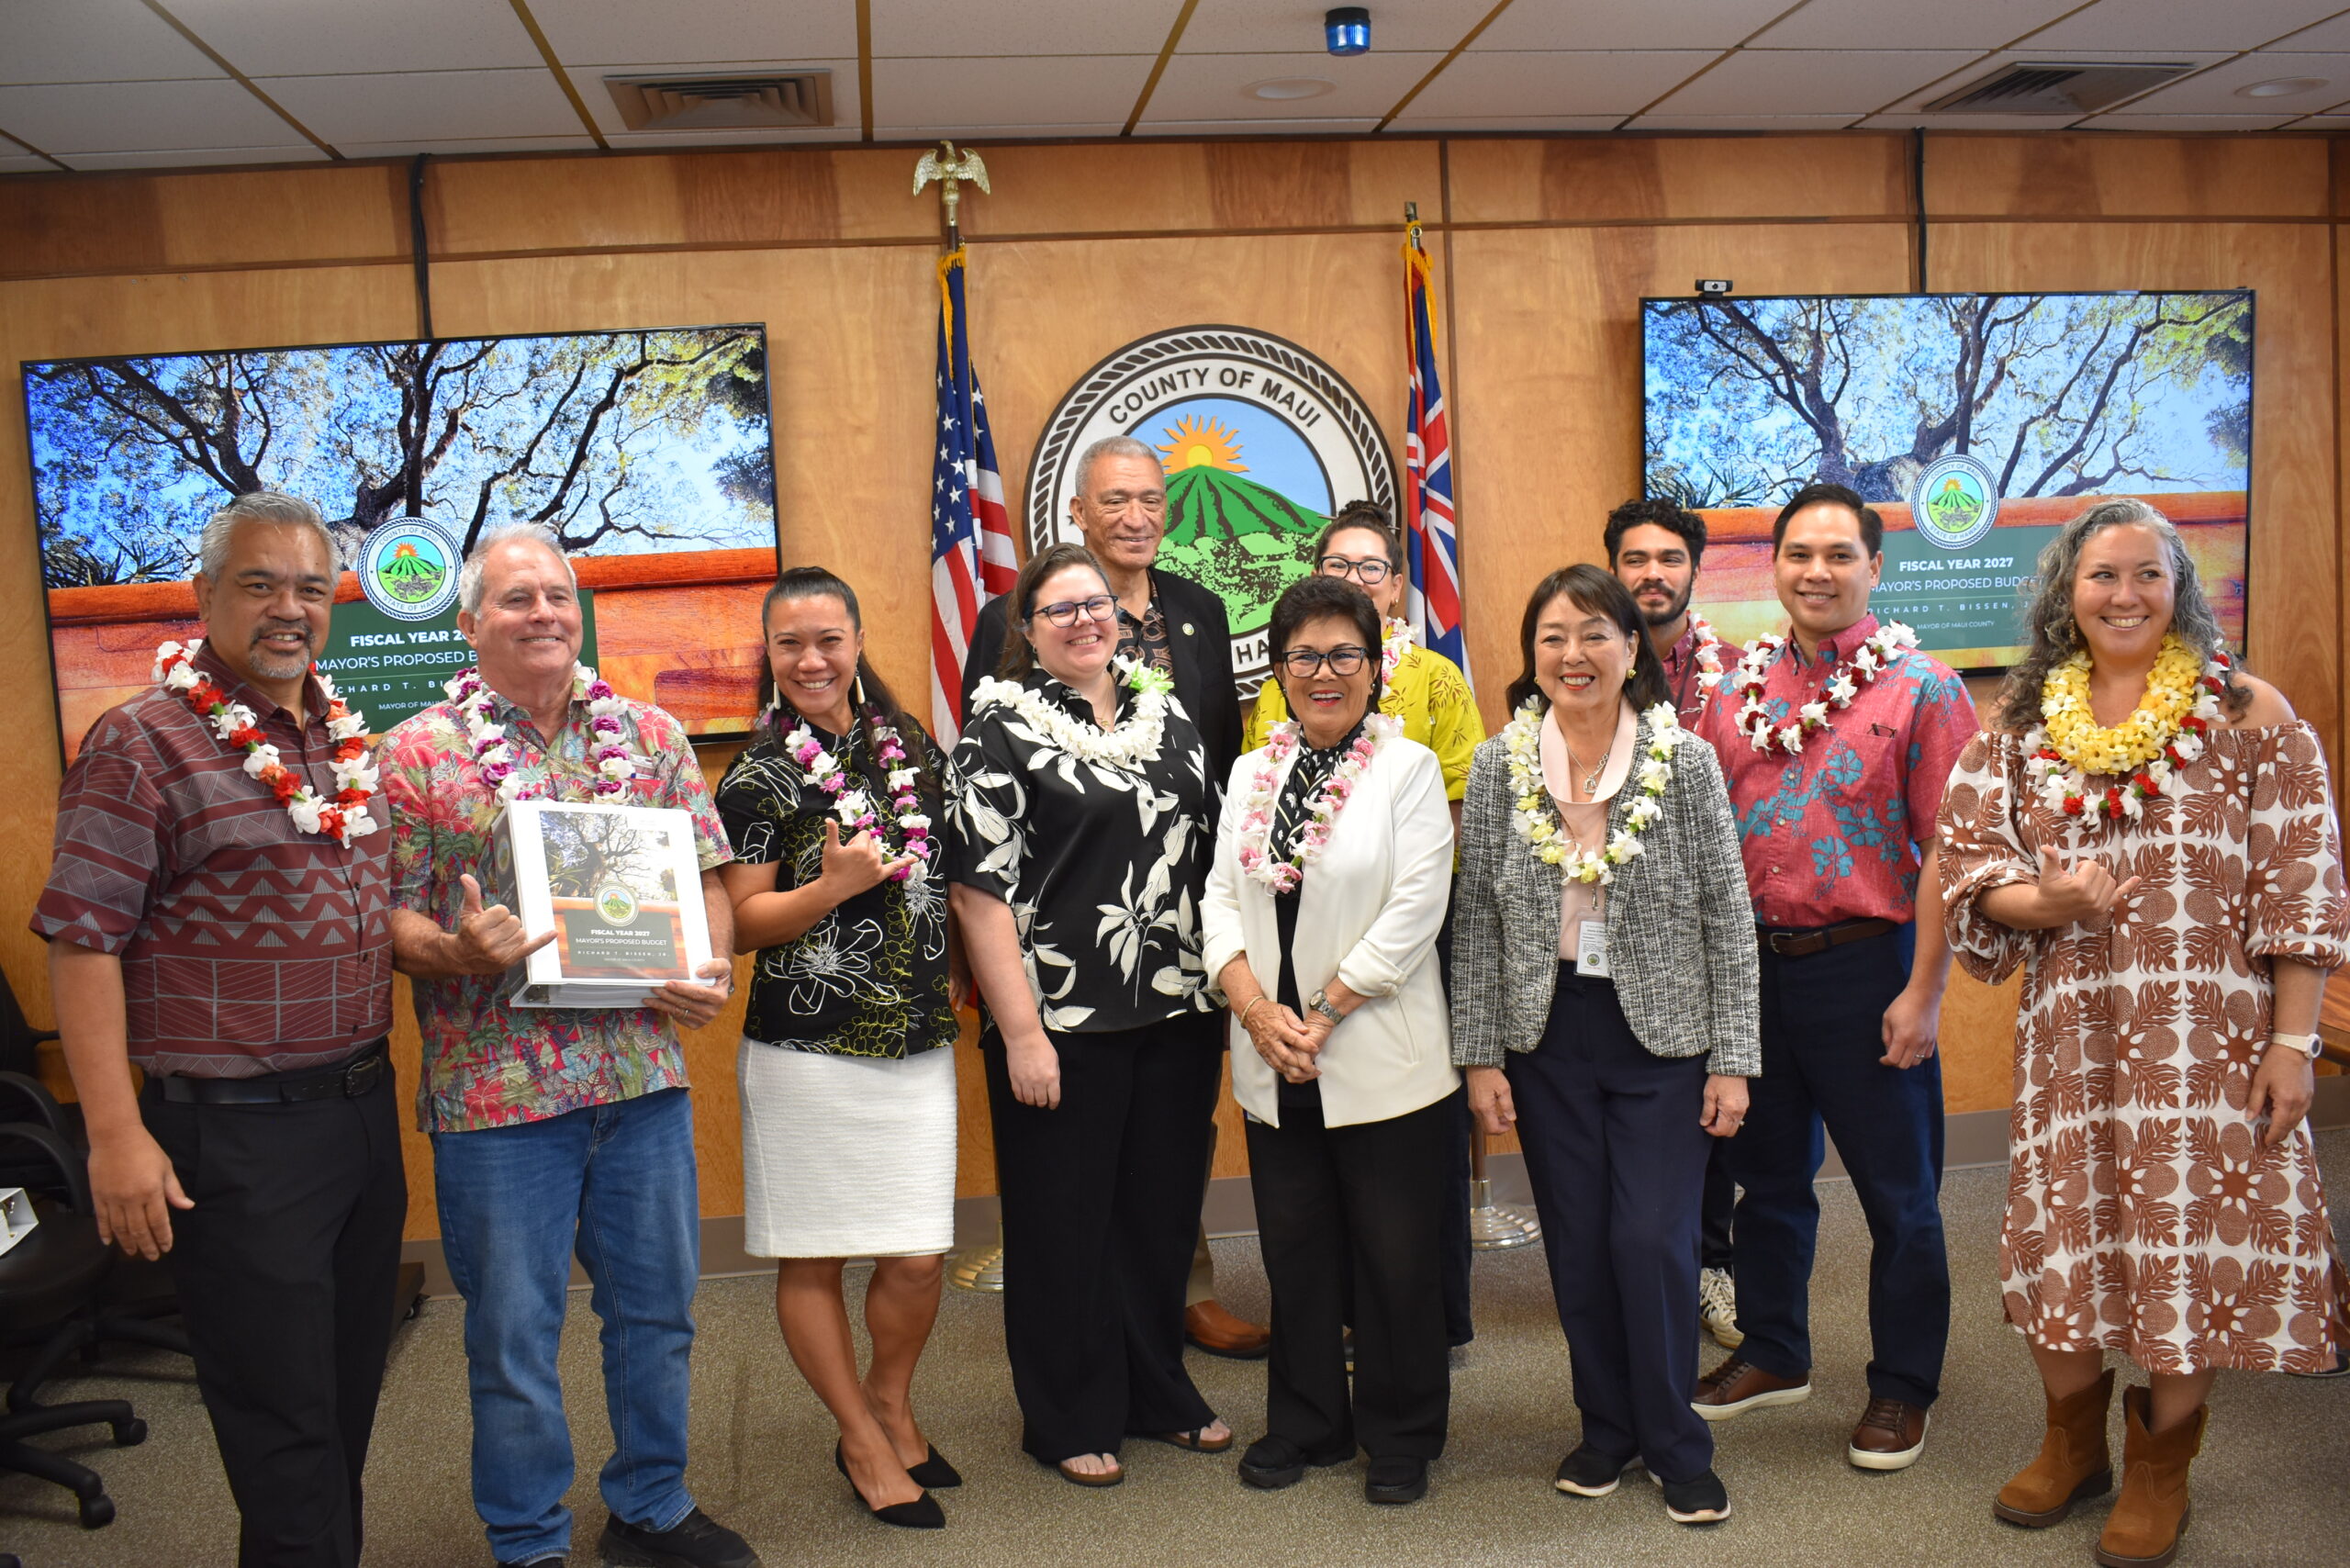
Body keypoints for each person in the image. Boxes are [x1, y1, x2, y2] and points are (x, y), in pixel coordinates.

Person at [1938, 498, 2350, 1568]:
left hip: (2211, 1040)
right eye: (2101, 576)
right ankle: (2071, 1446)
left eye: (2146, 575)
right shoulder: (2020, 726)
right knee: (2064, 1230)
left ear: (2179, 588)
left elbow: (2300, 886)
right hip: (2072, 1036)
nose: (2124, 596)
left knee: (2182, 1239)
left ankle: (2161, 1469)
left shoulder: (2249, 713)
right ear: (2064, 591)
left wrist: (2293, 1043)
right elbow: (1970, 869)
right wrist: (2046, 902)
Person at [34, 490, 404, 1568]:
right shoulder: (139, 743)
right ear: (203, 596)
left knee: (343, 1400)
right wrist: (115, 1134)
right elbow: (82, 943)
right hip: (238, 1139)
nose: (289, 608)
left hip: (360, 1115)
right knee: (282, 1427)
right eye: (259, 583)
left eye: (310, 587)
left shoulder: (339, 737)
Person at [379, 524, 753, 1568]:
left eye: (556, 594)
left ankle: (651, 1503)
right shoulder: (415, 753)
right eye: (515, 598)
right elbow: (390, 918)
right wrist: (455, 949)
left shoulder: (651, 735)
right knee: (512, 1335)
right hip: (497, 1098)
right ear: (469, 623)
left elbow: (709, 884)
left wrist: (712, 964)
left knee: (658, 1314)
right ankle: (529, 1541)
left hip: (641, 1083)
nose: (543, 612)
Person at [1453, 565, 1756, 1527]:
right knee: (1579, 1243)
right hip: (1546, 1034)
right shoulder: (1499, 766)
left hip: (1663, 1036)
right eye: (1552, 636)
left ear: (1632, 647)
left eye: (1594, 633)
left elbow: (1728, 914)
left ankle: (1675, 1441)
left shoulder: (1686, 760)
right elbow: (1477, 919)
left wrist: (1733, 1059)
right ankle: (1605, 1429)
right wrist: (1480, 1056)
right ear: (1532, 654)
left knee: (1651, 1240)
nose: (1572, 654)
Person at [1689, 482, 1975, 1473]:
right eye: (1799, 554)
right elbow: (1705, 838)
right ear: (1774, 565)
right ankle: (1774, 1350)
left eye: (1839, 555)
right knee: (1767, 1182)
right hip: (1754, 974)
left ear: (1874, 568)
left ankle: (1903, 1385)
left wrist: (1924, 992)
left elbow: (1950, 850)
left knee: (1901, 1196)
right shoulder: (1735, 690)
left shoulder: (1924, 689)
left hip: (1868, 971)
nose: (1817, 572)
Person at [958, 434, 1262, 1360]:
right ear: (1079, 515)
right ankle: (1090, 1370)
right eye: (1114, 501)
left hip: (1178, 959)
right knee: (1075, 1192)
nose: (1135, 516)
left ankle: (1170, 1322)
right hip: (1065, 969)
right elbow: (986, 831)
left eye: (1149, 499)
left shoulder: (1199, 612)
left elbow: (1218, 775)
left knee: (1165, 1163)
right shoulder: (1004, 637)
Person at [946, 542, 1229, 1487]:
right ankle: (1068, 1410)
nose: (1083, 620)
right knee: (1063, 1223)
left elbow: (1207, 848)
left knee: (1158, 1215)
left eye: (1096, 603)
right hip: (1059, 1021)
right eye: (1059, 609)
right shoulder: (997, 731)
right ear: (1025, 632)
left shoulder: (1166, 713)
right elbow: (977, 894)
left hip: (1178, 1007)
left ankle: (1157, 1390)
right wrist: (1021, 1033)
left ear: (1121, 616)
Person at [713, 567, 964, 1531]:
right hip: (807, 1050)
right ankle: (860, 1436)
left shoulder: (910, 746)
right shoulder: (756, 776)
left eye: (828, 639)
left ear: (857, 641)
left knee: (918, 1255)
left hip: (915, 1043)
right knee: (815, 1255)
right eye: (790, 643)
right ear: (770, 655)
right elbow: (741, 924)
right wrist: (830, 886)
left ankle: (891, 1401)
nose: (811, 659)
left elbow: (943, 873)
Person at [1203, 575, 1459, 1506]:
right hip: (1273, 1056)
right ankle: (1308, 1421)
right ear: (1278, 671)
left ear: (1375, 666)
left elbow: (1417, 905)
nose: (1324, 672)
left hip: (1378, 1052)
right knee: (1296, 1248)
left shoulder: (1409, 769)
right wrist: (1254, 1010)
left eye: (1344, 653)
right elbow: (1218, 898)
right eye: (1304, 655)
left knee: (1396, 1256)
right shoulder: (1250, 774)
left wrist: (1324, 1011)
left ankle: (1401, 1432)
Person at [1244, 500, 1484, 1350]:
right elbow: (1247, 836)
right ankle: (1333, 1340)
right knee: (1312, 1184)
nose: (1354, 578)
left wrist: (1340, 993)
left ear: (1394, 585)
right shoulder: (1269, 713)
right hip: (1289, 950)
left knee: (1405, 1177)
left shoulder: (1433, 689)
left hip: (1404, 939)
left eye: (1369, 567)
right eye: (1337, 567)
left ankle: (1425, 1334)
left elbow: (1456, 816)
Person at [1605, 497, 1741, 1350]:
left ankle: (1712, 1270)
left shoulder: (1741, 679)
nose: (1652, 574)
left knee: (1714, 1118)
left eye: (1669, 559)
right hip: (1611, 935)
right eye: (1635, 559)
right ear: (1613, 569)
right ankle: (1636, 1272)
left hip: (1709, 927)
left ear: (1695, 570)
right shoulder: (1587, 666)